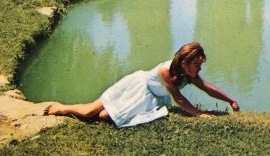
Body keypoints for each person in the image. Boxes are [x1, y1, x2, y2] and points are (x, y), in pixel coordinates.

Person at [44, 42, 240, 127]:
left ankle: (87, 113)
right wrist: (198, 114)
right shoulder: (166, 71)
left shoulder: (190, 74)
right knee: (90, 112)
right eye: (196, 64)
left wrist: (230, 100)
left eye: (200, 64)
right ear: (184, 62)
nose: (199, 69)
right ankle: (60, 108)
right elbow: (178, 98)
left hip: (148, 99)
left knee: (105, 116)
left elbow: (208, 88)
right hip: (134, 88)